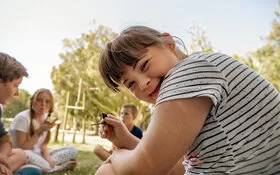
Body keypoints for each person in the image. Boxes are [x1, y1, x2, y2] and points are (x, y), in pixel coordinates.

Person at [95, 26, 280, 175]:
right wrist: (126, 141)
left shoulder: (188, 72)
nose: (143, 84)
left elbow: (147, 167)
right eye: (131, 84)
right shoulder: (193, 81)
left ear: (168, 43)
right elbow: (177, 167)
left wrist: (117, 155)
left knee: (108, 171)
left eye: (144, 65)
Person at [9, 88, 78, 173]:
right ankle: (57, 168)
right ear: (32, 101)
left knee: (73, 150)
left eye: (47, 101)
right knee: (27, 154)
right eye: (39, 100)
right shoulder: (23, 118)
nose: (43, 104)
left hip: (38, 154)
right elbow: (22, 148)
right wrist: (39, 131)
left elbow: (43, 146)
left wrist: (49, 160)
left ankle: (48, 165)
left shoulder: (45, 117)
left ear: (51, 104)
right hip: (23, 155)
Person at [0, 52, 41, 175]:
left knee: (20, 154)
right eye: (15, 86)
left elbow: (4, 139)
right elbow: (24, 145)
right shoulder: (24, 118)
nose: (16, 93)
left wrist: (2, 156)